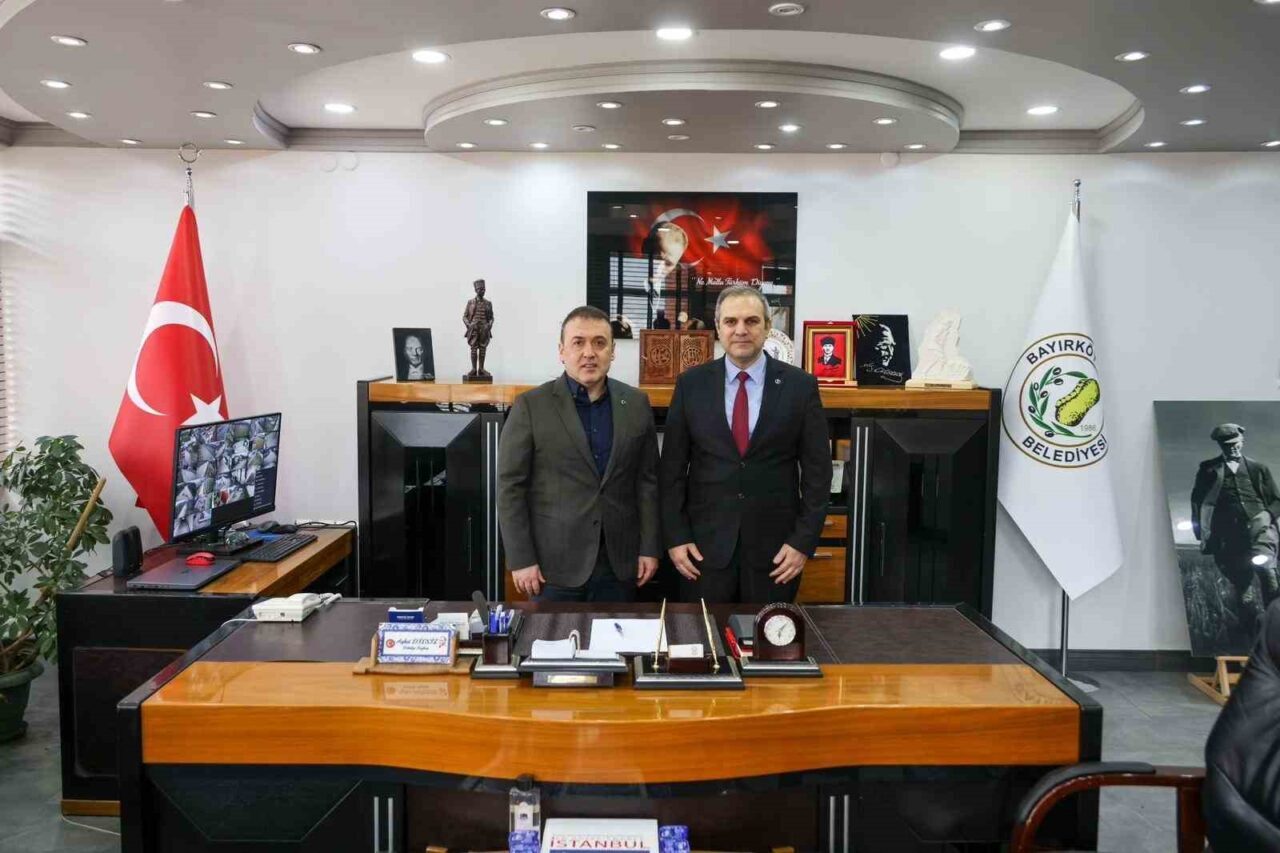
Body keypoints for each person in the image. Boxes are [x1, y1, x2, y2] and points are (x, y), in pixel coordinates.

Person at [660, 284, 832, 603]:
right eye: (731, 321)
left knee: (768, 634)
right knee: (706, 635)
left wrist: (802, 542)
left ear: (767, 327)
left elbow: (818, 474)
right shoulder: (690, 385)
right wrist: (676, 537)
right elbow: (670, 472)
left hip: (777, 555)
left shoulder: (800, 386)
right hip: (702, 553)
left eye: (751, 321)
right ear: (718, 328)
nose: (741, 330)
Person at [498, 305, 661, 601]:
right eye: (578, 342)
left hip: (620, 565)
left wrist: (649, 547)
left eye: (599, 343)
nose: (589, 353)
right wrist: (521, 559)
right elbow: (510, 487)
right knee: (553, 634)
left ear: (612, 352)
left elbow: (647, 482)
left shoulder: (636, 403)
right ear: (562, 351)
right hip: (551, 568)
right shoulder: (531, 406)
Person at [1192, 423, 1280, 643]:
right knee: (1242, 585)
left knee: (1269, 575)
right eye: (1227, 444)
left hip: (1260, 532)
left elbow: (1276, 500)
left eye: (1236, 443)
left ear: (1242, 441)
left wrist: (1266, 515)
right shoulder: (1208, 469)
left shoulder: (1258, 468)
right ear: (1220, 445)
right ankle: (1250, 635)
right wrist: (1201, 534)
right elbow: (1197, 501)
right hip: (1228, 536)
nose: (1233, 448)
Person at [463, 279, 494, 379]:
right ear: (476, 290)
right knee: (473, 348)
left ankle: (481, 368)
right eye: (480, 289)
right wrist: (469, 325)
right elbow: (464, 317)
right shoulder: (470, 302)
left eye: (483, 289)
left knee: (483, 348)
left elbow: (491, 318)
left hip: (484, 328)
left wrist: (489, 325)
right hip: (474, 328)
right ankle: (473, 369)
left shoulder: (488, 303)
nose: (482, 291)